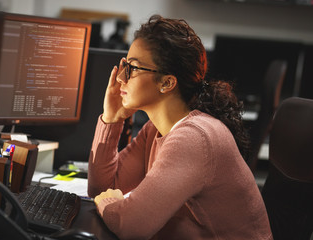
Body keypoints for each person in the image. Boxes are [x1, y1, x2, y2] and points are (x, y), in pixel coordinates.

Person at [87, 15, 272, 240]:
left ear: (167, 83)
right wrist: (111, 119)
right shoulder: (155, 129)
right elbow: (101, 188)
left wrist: (109, 203)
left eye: (133, 67)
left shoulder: (194, 138)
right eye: (124, 65)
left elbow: (130, 225)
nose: (120, 78)